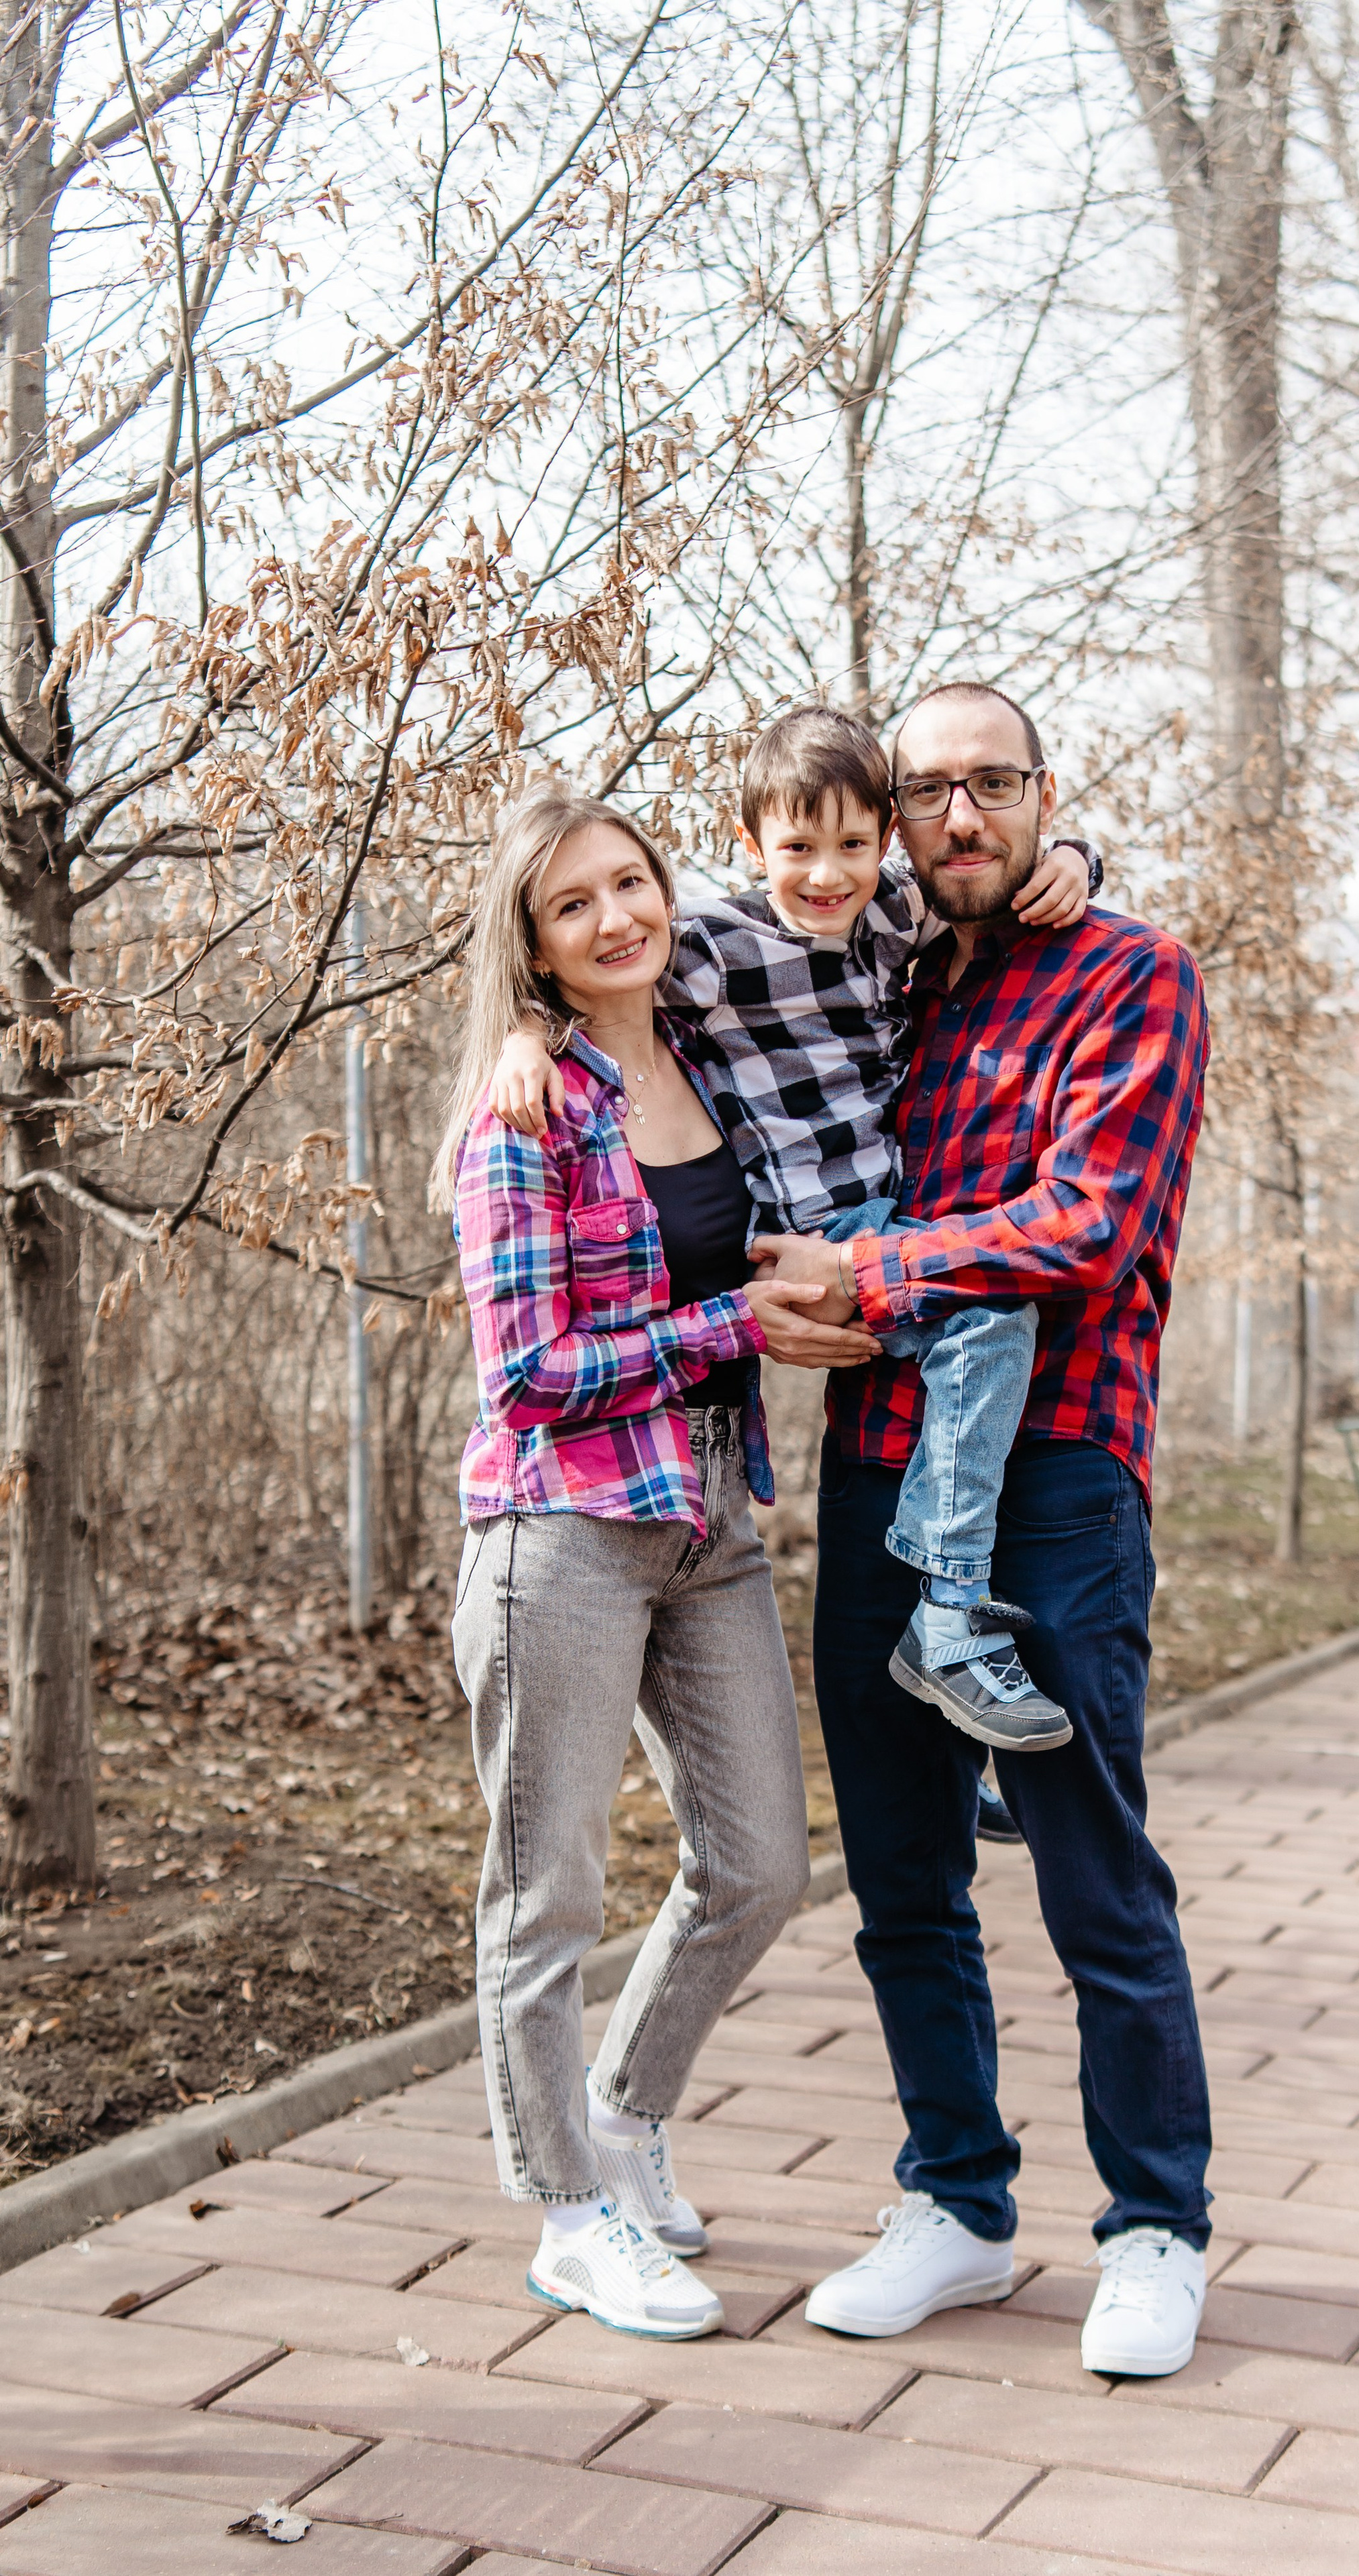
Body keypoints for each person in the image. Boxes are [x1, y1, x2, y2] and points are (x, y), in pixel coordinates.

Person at [758, 682, 1214, 2379]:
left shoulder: (1130, 972)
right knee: (900, 1881)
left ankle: (1155, 2226)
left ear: (1040, 795)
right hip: (879, 1471)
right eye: (926, 791)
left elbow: (1084, 1223)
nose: (958, 817)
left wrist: (868, 1273)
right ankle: (954, 2201)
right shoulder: (875, 973)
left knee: (1098, 1880)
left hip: (1062, 1486)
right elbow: (656, 969)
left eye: (991, 787)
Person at [431, 781, 878, 2342]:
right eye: (573, 904)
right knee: (541, 1896)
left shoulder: (705, 1048)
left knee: (758, 1862)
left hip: (707, 1518)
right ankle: (568, 2213)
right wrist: (729, 1325)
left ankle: (620, 2112)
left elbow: (853, 908)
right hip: (557, 1528)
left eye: (631, 881)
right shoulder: (525, 1109)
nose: (617, 916)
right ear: (535, 947)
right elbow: (529, 1369)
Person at [489, 704, 1101, 1752]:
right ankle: (951, 1618)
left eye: (853, 847)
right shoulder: (724, 946)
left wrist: (1080, 853)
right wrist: (526, 1033)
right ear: (750, 847)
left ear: (884, 842)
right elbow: (604, 970)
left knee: (966, 1385)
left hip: (881, 1214)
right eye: (797, 851)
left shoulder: (891, 914)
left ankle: (966, 1704)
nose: (826, 875)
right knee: (991, 1326)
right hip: (814, 1219)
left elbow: (985, 868)